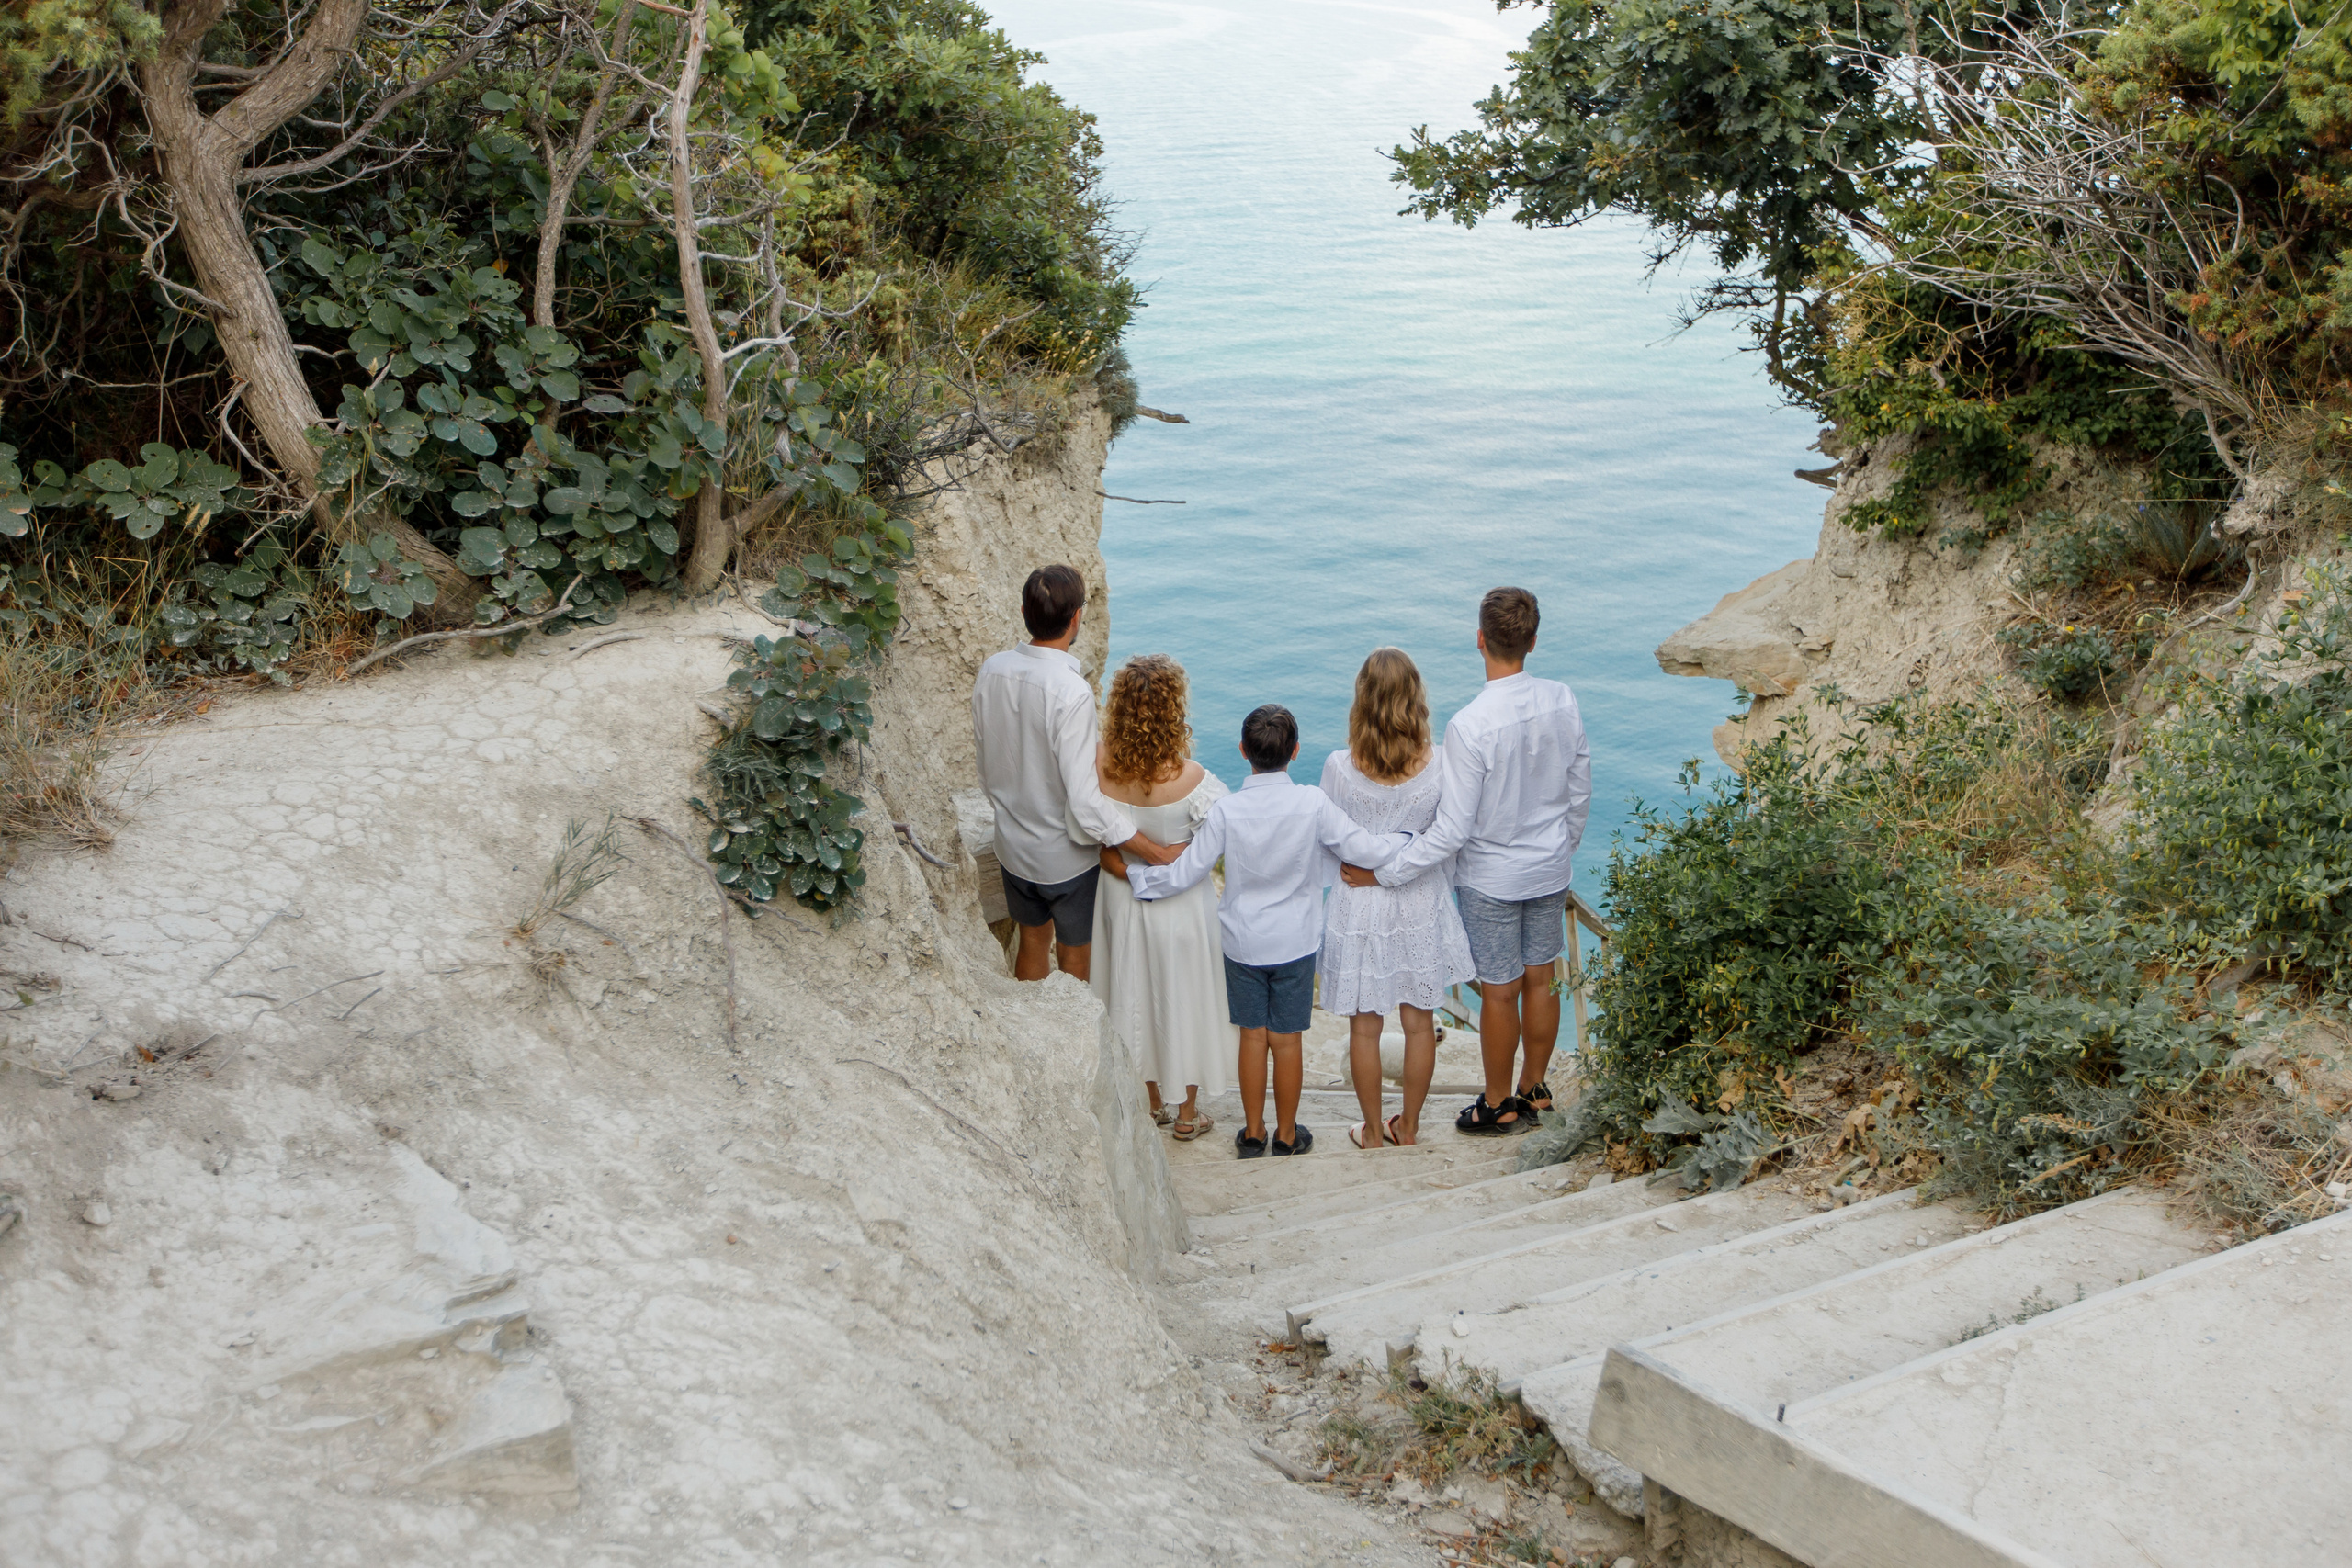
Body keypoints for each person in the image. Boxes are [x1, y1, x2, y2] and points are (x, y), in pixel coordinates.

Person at [1342, 588, 1591, 1136]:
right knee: (1541, 977)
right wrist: (1561, 846)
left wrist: (1387, 872)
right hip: (1549, 867)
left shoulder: (1469, 726)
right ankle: (1536, 1088)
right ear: (1532, 640)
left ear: (1480, 639)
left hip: (1493, 878)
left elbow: (1452, 831)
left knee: (1500, 989)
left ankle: (1498, 1103)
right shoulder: (1563, 699)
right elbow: (1579, 790)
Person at [1127, 705, 1410, 1159]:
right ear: (1295, 752)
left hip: (1242, 941)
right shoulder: (1312, 803)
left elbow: (1187, 872)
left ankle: (1253, 1132)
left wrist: (1137, 877)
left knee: (1252, 1037)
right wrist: (1408, 841)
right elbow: (1364, 848)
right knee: (1288, 1040)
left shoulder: (1228, 811)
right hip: (1296, 941)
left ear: (1243, 751)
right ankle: (1285, 1134)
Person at [971, 565, 1178, 982]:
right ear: (1076, 618)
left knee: (1032, 941)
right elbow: (1084, 802)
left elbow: (986, 761)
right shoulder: (1070, 691)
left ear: (1025, 610)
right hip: (1064, 860)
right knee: (1074, 959)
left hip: (1011, 844)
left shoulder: (991, 670)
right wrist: (1154, 852)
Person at [1317, 649, 1476, 1148]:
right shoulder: (1440, 762)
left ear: (1362, 699)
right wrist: (1400, 858)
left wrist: (1372, 867)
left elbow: (1328, 839)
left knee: (1363, 1030)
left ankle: (1369, 1131)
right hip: (1418, 902)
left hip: (1358, 901)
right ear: (1415, 698)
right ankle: (1406, 1128)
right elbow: (1447, 835)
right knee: (1418, 1024)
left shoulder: (1340, 768)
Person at [1088, 655, 1232, 1142]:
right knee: (1182, 999)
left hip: (1120, 897)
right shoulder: (1193, 779)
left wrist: (1123, 863)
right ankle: (1188, 1115)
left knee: (1132, 995)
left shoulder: (1099, 765)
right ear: (1174, 709)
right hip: (1181, 907)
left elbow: (1095, 837)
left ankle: (1152, 1104)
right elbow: (1224, 835)